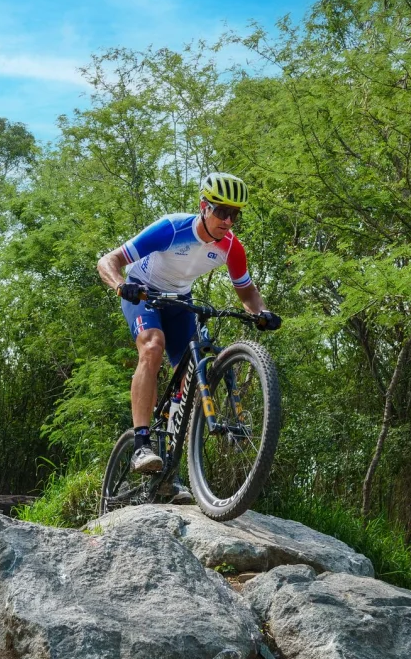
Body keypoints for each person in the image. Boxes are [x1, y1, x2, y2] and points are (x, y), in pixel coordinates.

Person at [97, 171, 281, 501]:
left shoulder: (231, 248)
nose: (228, 220)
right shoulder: (171, 228)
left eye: (235, 214)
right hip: (144, 295)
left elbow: (247, 291)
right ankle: (141, 444)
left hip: (181, 301)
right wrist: (120, 285)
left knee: (194, 378)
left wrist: (261, 313)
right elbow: (109, 261)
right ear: (203, 207)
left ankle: (170, 471)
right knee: (152, 347)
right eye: (222, 211)